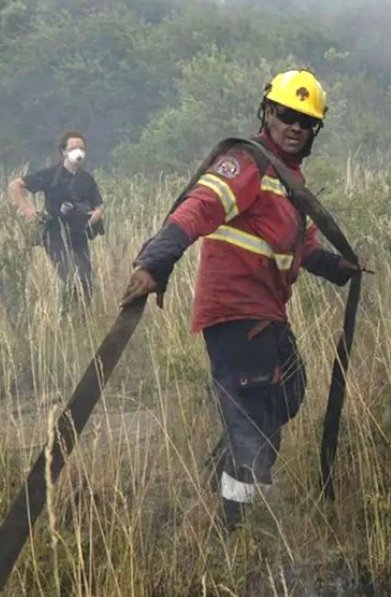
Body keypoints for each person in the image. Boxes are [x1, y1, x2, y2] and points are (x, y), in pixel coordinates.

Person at [119, 69, 363, 530]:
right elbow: (199, 206)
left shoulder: (287, 180)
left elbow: (303, 245)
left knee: (287, 392)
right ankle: (238, 529)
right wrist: (156, 261)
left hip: (265, 312)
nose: (295, 126)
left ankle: (228, 471)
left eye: (306, 121)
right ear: (267, 113)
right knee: (253, 425)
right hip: (235, 312)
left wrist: (338, 268)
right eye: (287, 115)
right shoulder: (246, 162)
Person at [8, 130, 103, 308]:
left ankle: (79, 322)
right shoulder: (51, 174)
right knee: (71, 277)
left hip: (79, 234)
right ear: (63, 151)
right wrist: (27, 209)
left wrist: (95, 216)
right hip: (55, 233)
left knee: (86, 281)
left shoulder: (87, 179)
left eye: (81, 148)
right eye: (73, 147)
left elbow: (98, 207)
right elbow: (15, 185)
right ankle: (65, 317)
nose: (78, 151)